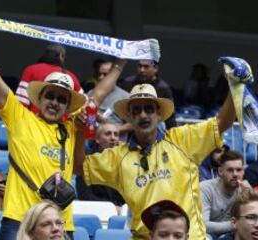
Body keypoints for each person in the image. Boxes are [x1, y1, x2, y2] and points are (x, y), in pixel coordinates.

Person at [0, 16, 126, 240]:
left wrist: (121, 62)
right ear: (40, 98)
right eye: (50, 96)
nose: (54, 102)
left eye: (61, 99)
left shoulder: (70, 125)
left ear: (67, 106)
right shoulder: (20, 118)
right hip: (19, 219)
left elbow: (99, 94)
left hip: (60, 222)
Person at [75, 55, 239, 238]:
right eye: (136, 110)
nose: (143, 115)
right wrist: (80, 132)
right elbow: (79, 167)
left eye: (149, 109)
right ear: (129, 118)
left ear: (159, 115)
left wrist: (235, 86)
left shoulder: (182, 140)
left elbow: (223, 122)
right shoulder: (116, 157)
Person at [15, 43, 84, 115]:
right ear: (61, 56)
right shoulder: (71, 77)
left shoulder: (31, 70)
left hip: (31, 122)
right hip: (60, 124)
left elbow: (21, 102)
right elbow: (82, 105)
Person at [76, 122, 125, 208]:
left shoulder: (125, 161)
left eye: (116, 134)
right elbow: (84, 195)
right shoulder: (87, 161)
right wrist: (111, 207)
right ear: (97, 139)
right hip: (96, 212)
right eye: (108, 134)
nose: (113, 138)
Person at [200, 150, 247, 238]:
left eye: (239, 170)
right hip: (209, 235)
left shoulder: (245, 190)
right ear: (220, 171)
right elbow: (203, 225)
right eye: (230, 170)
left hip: (230, 235)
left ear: (243, 172)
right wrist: (235, 225)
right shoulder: (205, 188)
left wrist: (250, 194)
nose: (235, 174)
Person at [119, 59, 176, 129]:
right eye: (139, 66)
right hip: (128, 125)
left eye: (146, 67)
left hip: (154, 127)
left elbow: (170, 116)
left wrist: (172, 134)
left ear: (156, 69)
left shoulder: (163, 88)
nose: (142, 70)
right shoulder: (127, 82)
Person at [88, 60, 129, 125]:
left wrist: (115, 130)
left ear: (114, 76)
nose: (100, 77)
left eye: (105, 75)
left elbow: (133, 124)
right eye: (99, 74)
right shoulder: (90, 93)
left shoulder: (125, 96)